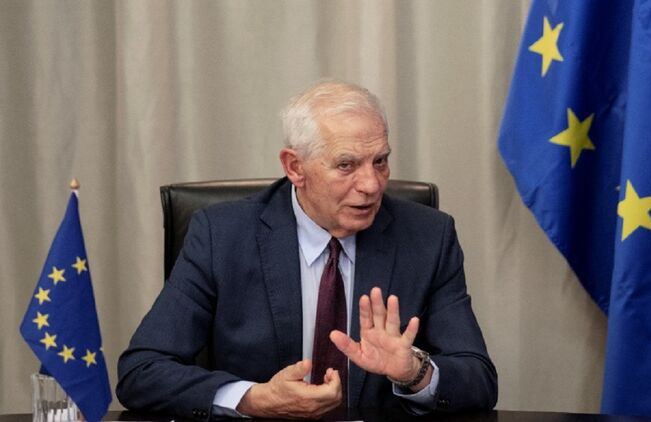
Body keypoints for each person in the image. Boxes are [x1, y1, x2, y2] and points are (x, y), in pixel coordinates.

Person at [116, 80, 497, 420]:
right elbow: (142, 372)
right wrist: (253, 399)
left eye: (380, 161)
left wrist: (414, 372)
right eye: (346, 165)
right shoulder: (222, 236)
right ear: (295, 167)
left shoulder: (428, 237)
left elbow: (478, 380)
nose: (371, 184)